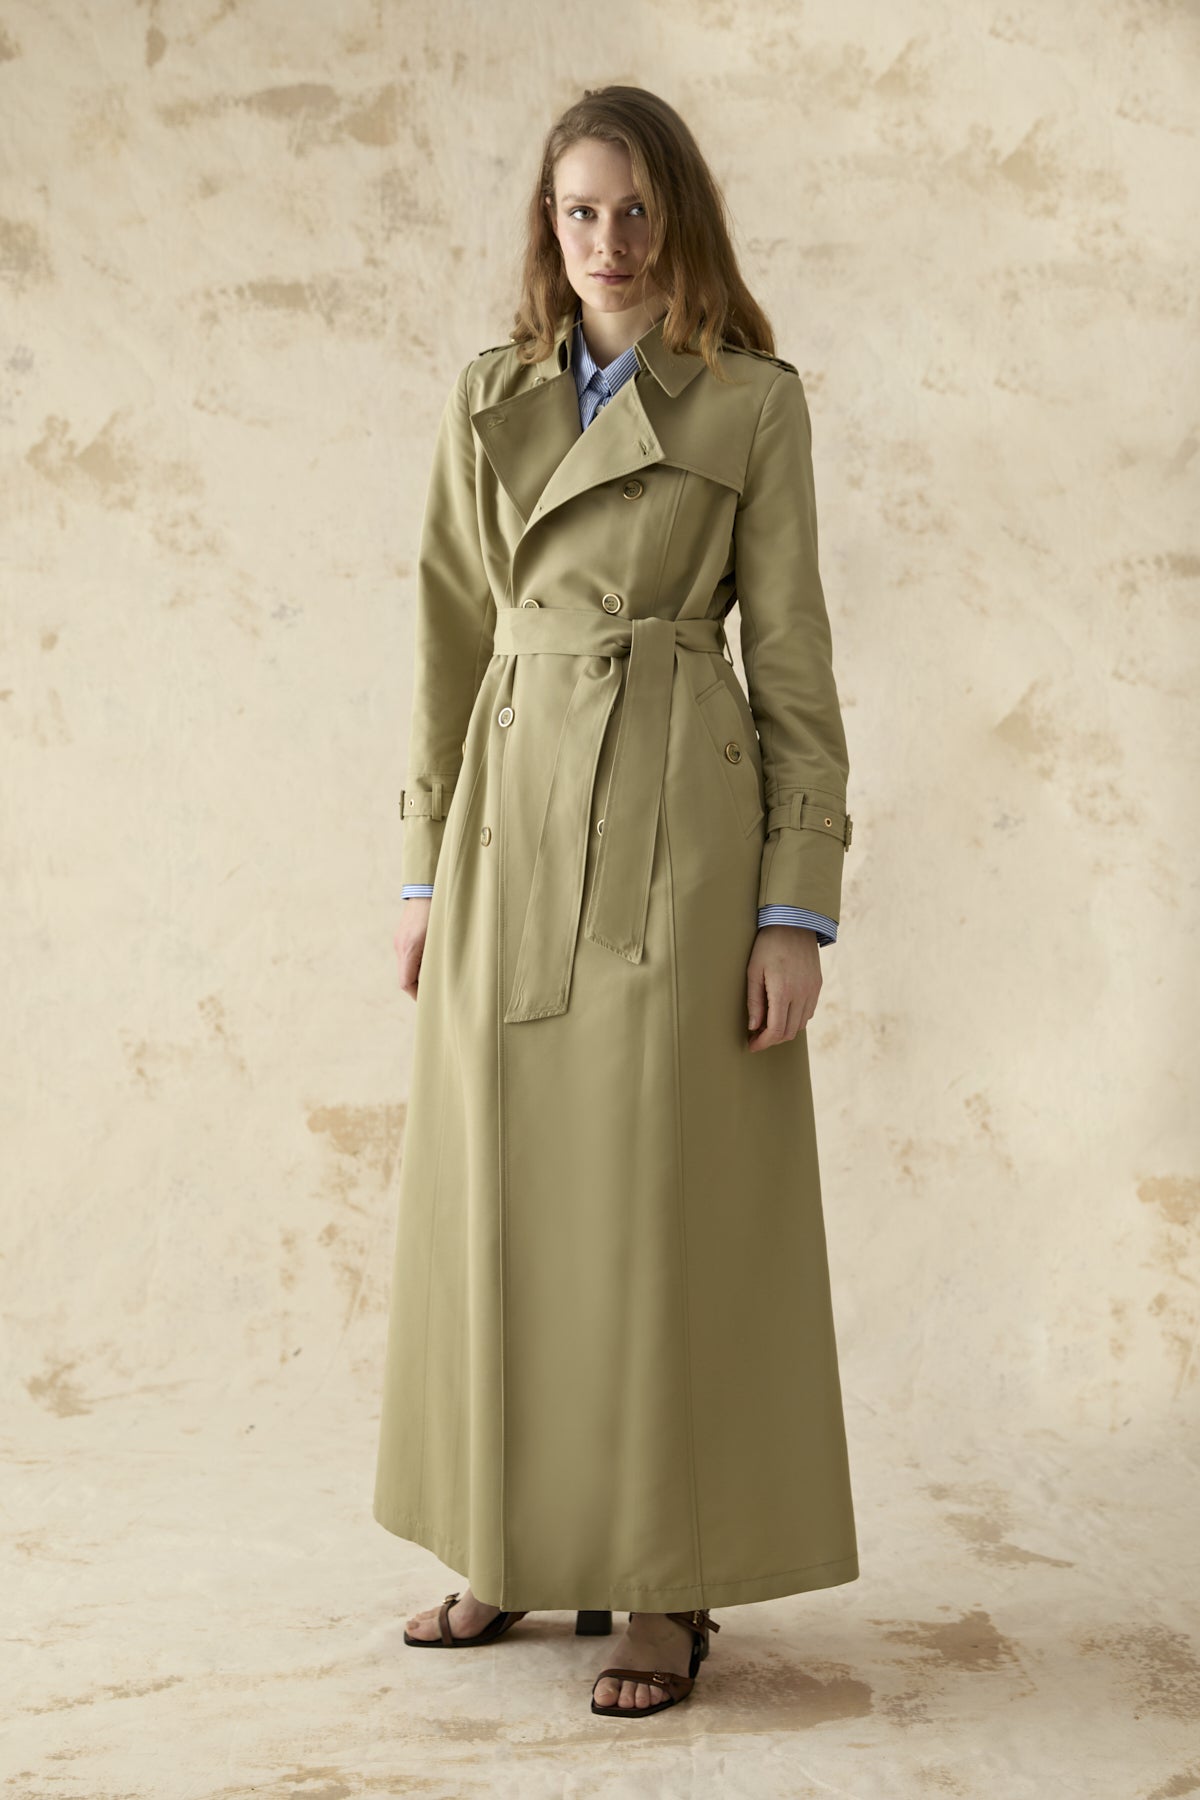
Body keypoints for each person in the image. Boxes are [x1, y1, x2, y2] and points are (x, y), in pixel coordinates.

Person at [374, 84, 859, 1720]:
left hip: (677, 833)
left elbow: (792, 661)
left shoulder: (749, 402)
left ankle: (661, 1585)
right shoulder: (487, 396)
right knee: (500, 1196)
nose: (608, 241)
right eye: (579, 211)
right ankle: (503, 1542)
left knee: (655, 1212)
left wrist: (794, 907)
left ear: (680, 218)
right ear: (547, 223)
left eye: (636, 209)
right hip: (509, 827)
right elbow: (448, 640)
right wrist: (425, 868)